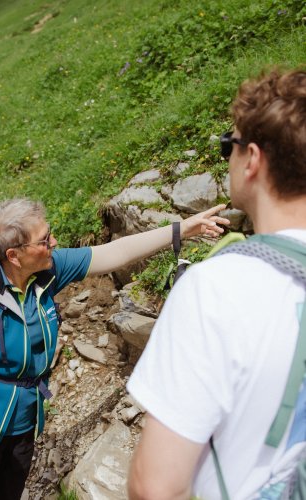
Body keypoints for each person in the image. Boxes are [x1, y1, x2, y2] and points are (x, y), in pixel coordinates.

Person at [0, 196, 229, 499]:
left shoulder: (47, 271)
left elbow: (113, 252)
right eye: (44, 240)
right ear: (14, 255)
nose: (54, 244)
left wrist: (181, 229)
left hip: (23, 425)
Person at [127, 67, 306, 499]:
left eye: (230, 144)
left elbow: (155, 488)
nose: (228, 154)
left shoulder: (219, 289)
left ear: (253, 160)